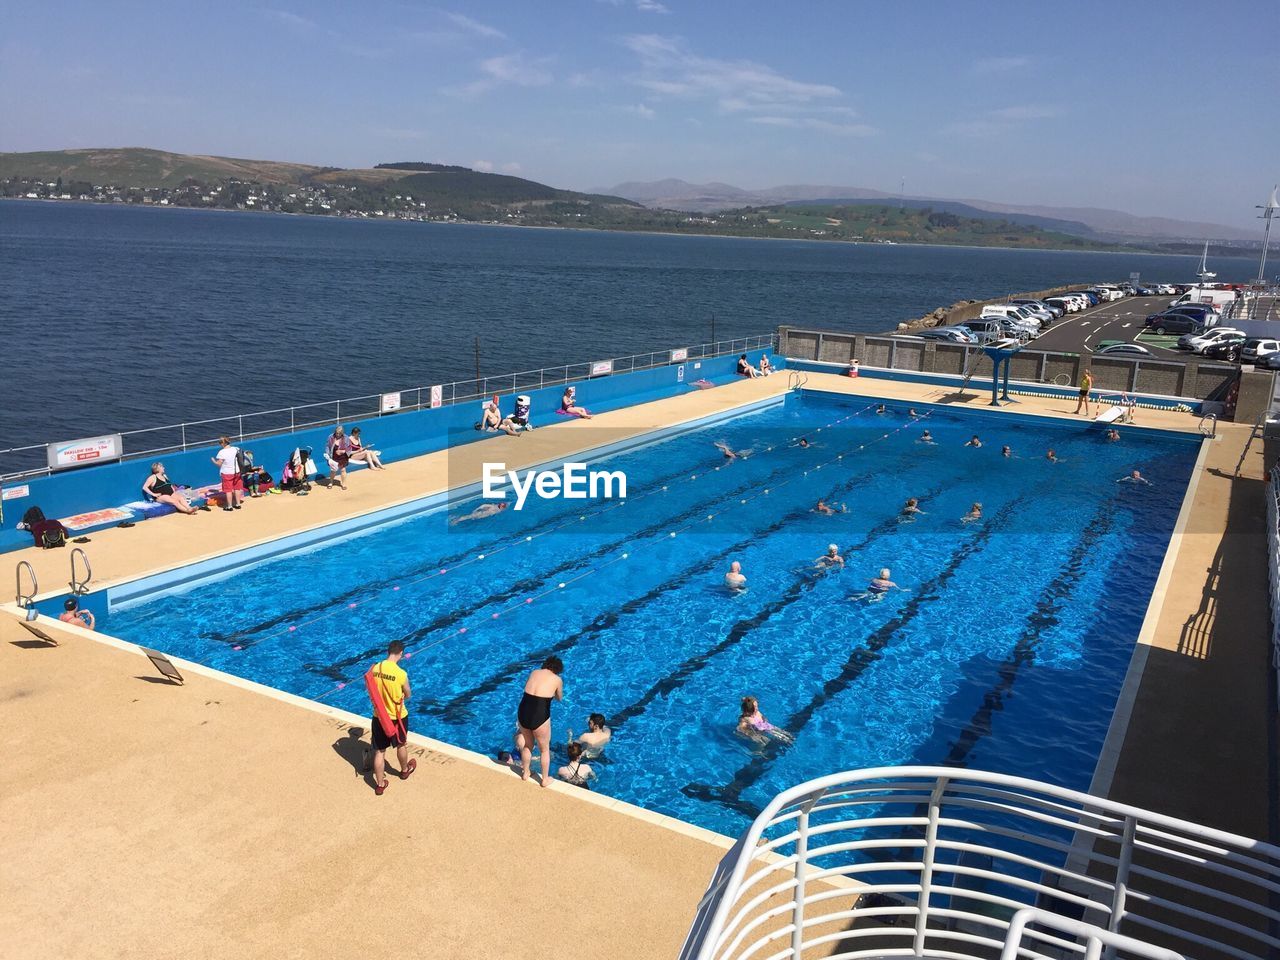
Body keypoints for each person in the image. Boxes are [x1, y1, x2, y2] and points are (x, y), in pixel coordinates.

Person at [369, 640, 414, 796]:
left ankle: (380, 784)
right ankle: (404, 770)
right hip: (397, 717)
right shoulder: (401, 674)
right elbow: (408, 694)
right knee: (401, 744)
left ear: (388, 652)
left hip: (379, 716)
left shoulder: (375, 668)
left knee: (380, 752)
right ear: (401, 653)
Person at [516, 656, 565, 787]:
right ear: (558, 669)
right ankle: (544, 779)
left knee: (528, 744)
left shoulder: (534, 672)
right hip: (540, 714)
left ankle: (526, 773)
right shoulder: (557, 679)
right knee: (544, 750)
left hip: (523, 710)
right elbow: (559, 697)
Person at [211, 436, 243, 511]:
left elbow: (219, 464)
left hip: (227, 473)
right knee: (237, 488)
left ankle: (229, 506)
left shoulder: (222, 452)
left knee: (228, 490)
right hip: (237, 472)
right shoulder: (236, 448)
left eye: (220, 442)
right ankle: (238, 504)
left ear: (223, 443)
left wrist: (213, 461)